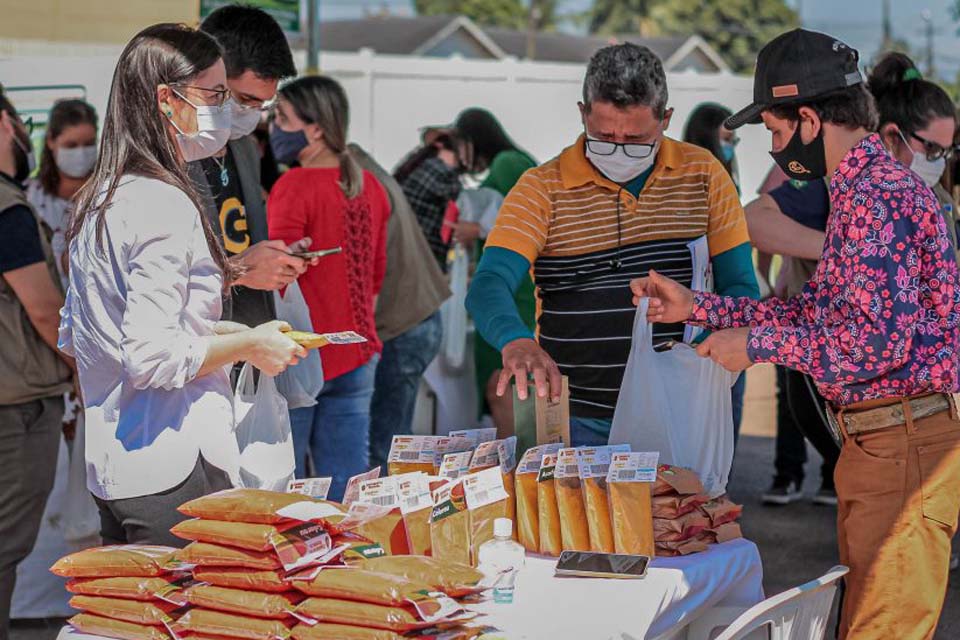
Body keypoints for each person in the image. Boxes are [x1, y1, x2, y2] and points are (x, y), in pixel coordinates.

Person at [633, 29, 960, 639]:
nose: (776, 150)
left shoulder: (874, 197)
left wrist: (752, 346)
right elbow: (816, 317)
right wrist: (698, 308)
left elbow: (873, 345)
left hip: (900, 443)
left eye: (777, 133)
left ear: (810, 119)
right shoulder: (865, 190)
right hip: (888, 442)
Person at [59, 24, 304, 546]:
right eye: (215, 94)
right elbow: (150, 358)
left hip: (115, 462)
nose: (225, 109)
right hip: (172, 464)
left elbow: (80, 337)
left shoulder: (99, 196)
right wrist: (250, 344)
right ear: (167, 101)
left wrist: (217, 329)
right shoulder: (165, 202)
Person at [465, 43, 759, 446]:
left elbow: (739, 285)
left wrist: (720, 350)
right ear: (583, 113)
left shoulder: (704, 176)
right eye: (603, 137)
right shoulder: (541, 188)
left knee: (679, 510)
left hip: (678, 408)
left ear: (666, 119)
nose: (619, 149)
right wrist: (515, 341)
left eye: (636, 140)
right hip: (570, 417)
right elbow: (489, 282)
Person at [267, 76, 390, 501]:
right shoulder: (369, 186)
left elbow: (276, 275)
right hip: (357, 351)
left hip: (300, 356)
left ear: (316, 128)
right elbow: (376, 276)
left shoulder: (293, 186)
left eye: (282, 118)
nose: (274, 127)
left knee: (289, 491)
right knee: (348, 489)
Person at [0, 87, 76, 637]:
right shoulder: (9, 210)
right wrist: (82, 367)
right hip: (17, 406)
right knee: (5, 545)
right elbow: (46, 310)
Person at [195, 4, 311, 334]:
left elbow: (243, 235)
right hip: (198, 348)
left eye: (263, 105)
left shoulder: (244, 146)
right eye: (244, 100)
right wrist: (237, 272)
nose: (253, 114)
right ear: (208, 75)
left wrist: (279, 257)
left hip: (251, 336)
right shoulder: (162, 156)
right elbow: (153, 276)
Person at [352, 143, 450, 471]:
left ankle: (391, 520)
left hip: (402, 325)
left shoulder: (354, 178)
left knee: (386, 449)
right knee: (390, 442)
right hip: (416, 318)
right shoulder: (365, 166)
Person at [449, 108, 538, 438]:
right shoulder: (514, 161)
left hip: (513, 293)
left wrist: (478, 229)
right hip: (513, 288)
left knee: (504, 386)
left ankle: (515, 469)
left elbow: (522, 217)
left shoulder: (508, 164)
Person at [682, 102, 748, 441]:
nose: (730, 147)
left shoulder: (724, 184)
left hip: (725, 317)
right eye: (726, 138)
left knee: (721, 431)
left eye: (733, 140)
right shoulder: (692, 185)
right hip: (696, 326)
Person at [27, 99, 98, 286]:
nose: (81, 154)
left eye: (89, 143)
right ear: (51, 141)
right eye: (71, 145)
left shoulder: (109, 193)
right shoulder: (31, 197)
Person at [394, 133, 462, 272]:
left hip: (401, 249)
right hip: (421, 256)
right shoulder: (436, 168)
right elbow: (460, 197)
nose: (459, 164)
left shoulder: (413, 167)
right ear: (441, 148)